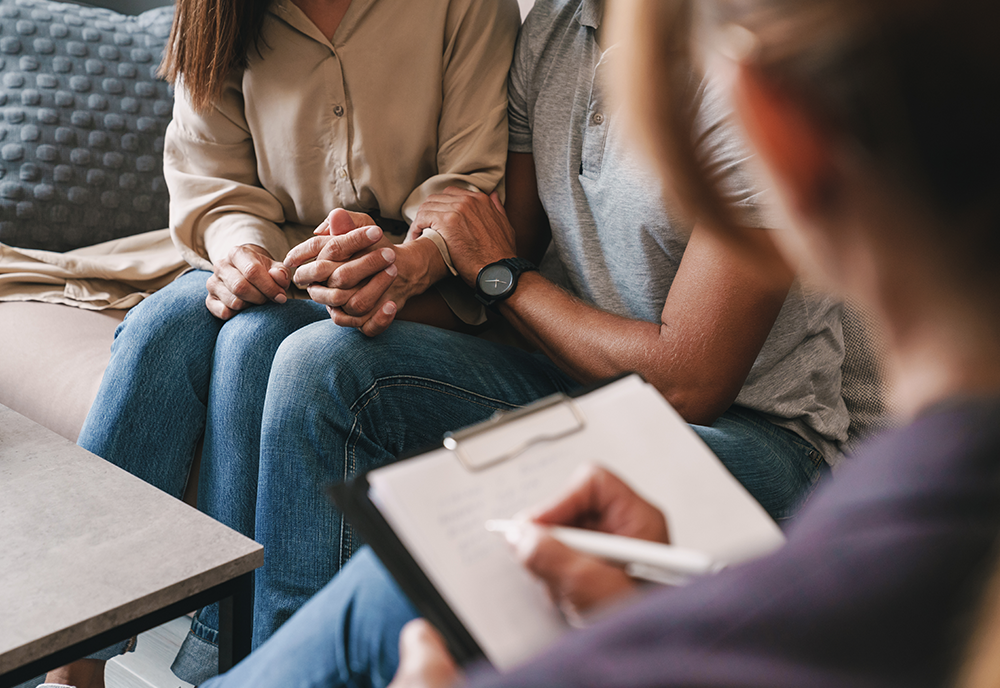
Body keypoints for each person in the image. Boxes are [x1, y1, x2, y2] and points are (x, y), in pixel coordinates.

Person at [188, 0, 1000, 685]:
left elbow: (686, 380)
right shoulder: (554, 28)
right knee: (304, 350)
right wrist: (386, 277)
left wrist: (499, 276)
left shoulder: (736, 63)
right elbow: (508, 248)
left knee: (391, 588)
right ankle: (239, 656)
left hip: (749, 434)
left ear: (780, 129)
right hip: (577, 376)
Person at [45, 1, 519, 687]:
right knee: (162, 325)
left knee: (253, 339)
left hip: (416, 271)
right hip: (280, 253)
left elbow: (473, 180)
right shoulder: (217, 12)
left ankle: (233, 659)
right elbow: (214, 180)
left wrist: (404, 256)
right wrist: (241, 253)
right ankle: (70, 668)